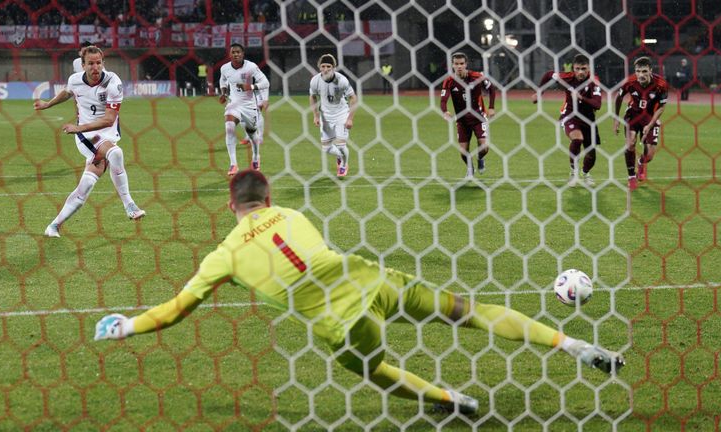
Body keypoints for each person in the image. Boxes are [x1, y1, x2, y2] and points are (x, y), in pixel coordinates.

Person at [95, 169, 625, 415]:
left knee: (371, 371)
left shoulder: (223, 254)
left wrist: (128, 325)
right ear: (269, 197)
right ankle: (572, 346)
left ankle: (451, 399)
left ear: (230, 207)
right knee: (471, 311)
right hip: (371, 278)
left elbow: (176, 311)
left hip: (343, 322)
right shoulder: (292, 211)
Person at [34, 45, 145, 238]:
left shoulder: (113, 82)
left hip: (105, 132)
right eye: (91, 63)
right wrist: (48, 104)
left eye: (99, 63)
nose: (96, 67)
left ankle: (54, 225)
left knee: (86, 184)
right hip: (87, 137)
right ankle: (129, 205)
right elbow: (68, 92)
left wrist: (78, 127)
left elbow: (110, 119)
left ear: (103, 63)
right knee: (116, 153)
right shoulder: (75, 80)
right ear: (83, 65)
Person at [533, 54, 602, 187]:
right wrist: (539, 93)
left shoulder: (594, 81)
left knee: (591, 155)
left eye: (583, 68)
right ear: (573, 68)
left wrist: (581, 98)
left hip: (588, 120)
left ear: (589, 68)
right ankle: (573, 172)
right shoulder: (567, 77)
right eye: (577, 69)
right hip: (570, 116)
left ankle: (585, 173)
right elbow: (548, 74)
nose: (580, 72)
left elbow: (597, 104)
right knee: (577, 139)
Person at [613, 56, 669, 191]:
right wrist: (616, 118)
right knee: (631, 143)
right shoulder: (630, 82)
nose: (641, 75)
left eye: (644, 71)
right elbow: (619, 97)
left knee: (649, 154)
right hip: (633, 115)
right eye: (638, 71)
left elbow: (661, 107)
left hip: (650, 117)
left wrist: (650, 125)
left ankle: (641, 163)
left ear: (650, 70)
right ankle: (631, 176)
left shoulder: (661, 84)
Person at [440, 52, 496, 178]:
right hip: (462, 120)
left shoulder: (476, 77)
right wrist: (445, 111)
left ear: (466, 64)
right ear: (452, 65)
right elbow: (443, 100)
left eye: (461, 64)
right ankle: (470, 169)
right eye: (456, 64)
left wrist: (491, 107)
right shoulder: (449, 81)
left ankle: (480, 159)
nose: (459, 66)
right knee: (463, 152)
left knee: (484, 147)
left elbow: (492, 89)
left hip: (478, 118)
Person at [219, 43, 269, 176]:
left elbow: (265, 83)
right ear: (230, 54)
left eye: (238, 52)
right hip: (234, 104)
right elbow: (223, 81)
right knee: (229, 126)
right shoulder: (225, 68)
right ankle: (233, 164)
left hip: (249, 107)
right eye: (233, 52)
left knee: (252, 135)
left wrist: (250, 87)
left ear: (243, 54)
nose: (236, 54)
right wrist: (224, 93)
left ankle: (256, 157)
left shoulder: (251, 67)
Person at [309, 54, 357, 177]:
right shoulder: (315, 80)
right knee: (326, 148)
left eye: (328, 66)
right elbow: (312, 97)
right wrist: (315, 115)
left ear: (334, 67)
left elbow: (353, 98)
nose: (325, 69)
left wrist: (350, 119)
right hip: (325, 116)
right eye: (323, 66)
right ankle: (340, 157)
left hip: (341, 114)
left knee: (341, 145)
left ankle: (343, 165)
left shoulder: (342, 81)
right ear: (319, 67)